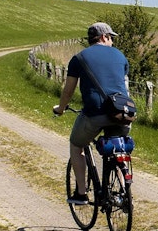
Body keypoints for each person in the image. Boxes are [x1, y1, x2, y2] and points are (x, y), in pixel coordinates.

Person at [53, 22, 130, 205]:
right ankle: (123, 191)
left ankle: (81, 193)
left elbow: (68, 91)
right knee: (118, 147)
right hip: (123, 113)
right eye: (111, 38)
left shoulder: (79, 58)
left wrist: (61, 108)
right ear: (104, 37)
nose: (112, 42)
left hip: (95, 113)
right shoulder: (121, 56)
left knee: (76, 144)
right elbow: (124, 87)